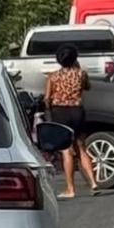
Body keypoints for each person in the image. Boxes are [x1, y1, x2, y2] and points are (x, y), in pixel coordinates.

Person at [44, 44, 99, 199]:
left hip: (60, 112)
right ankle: (93, 182)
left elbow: (47, 98)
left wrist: (48, 110)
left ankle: (70, 188)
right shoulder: (81, 74)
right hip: (77, 111)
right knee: (82, 147)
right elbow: (87, 87)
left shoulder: (53, 76)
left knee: (66, 150)